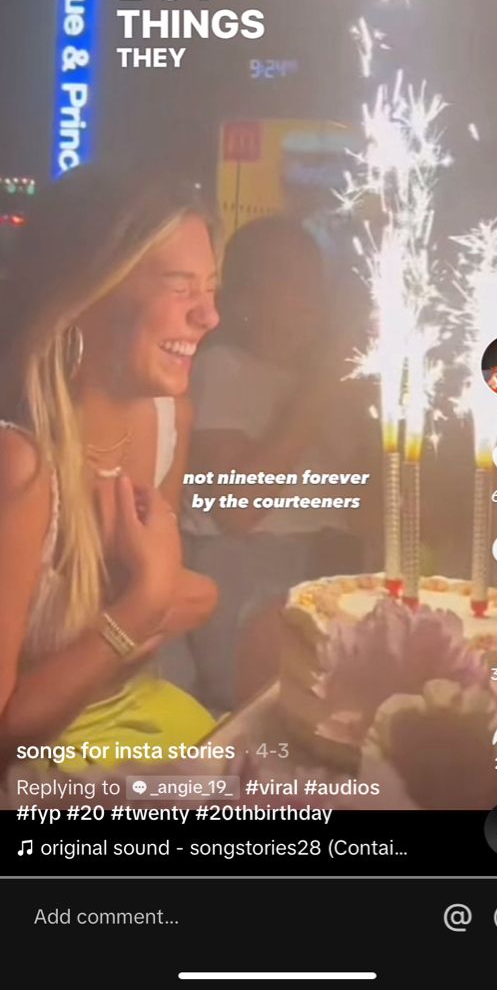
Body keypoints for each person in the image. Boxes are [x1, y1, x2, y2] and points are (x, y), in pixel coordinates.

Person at [0, 164, 220, 773]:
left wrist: (171, 595)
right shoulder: (18, 463)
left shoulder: (174, 417)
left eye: (212, 287)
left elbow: (185, 591)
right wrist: (144, 602)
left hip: (145, 719)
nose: (209, 316)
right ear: (89, 290)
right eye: (180, 286)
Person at [167, 215, 372, 715]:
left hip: (330, 566)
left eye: (314, 281)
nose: (309, 298)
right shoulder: (223, 370)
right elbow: (238, 511)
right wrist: (319, 389)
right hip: (250, 577)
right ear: (243, 297)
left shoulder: (324, 387)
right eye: (288, 278)